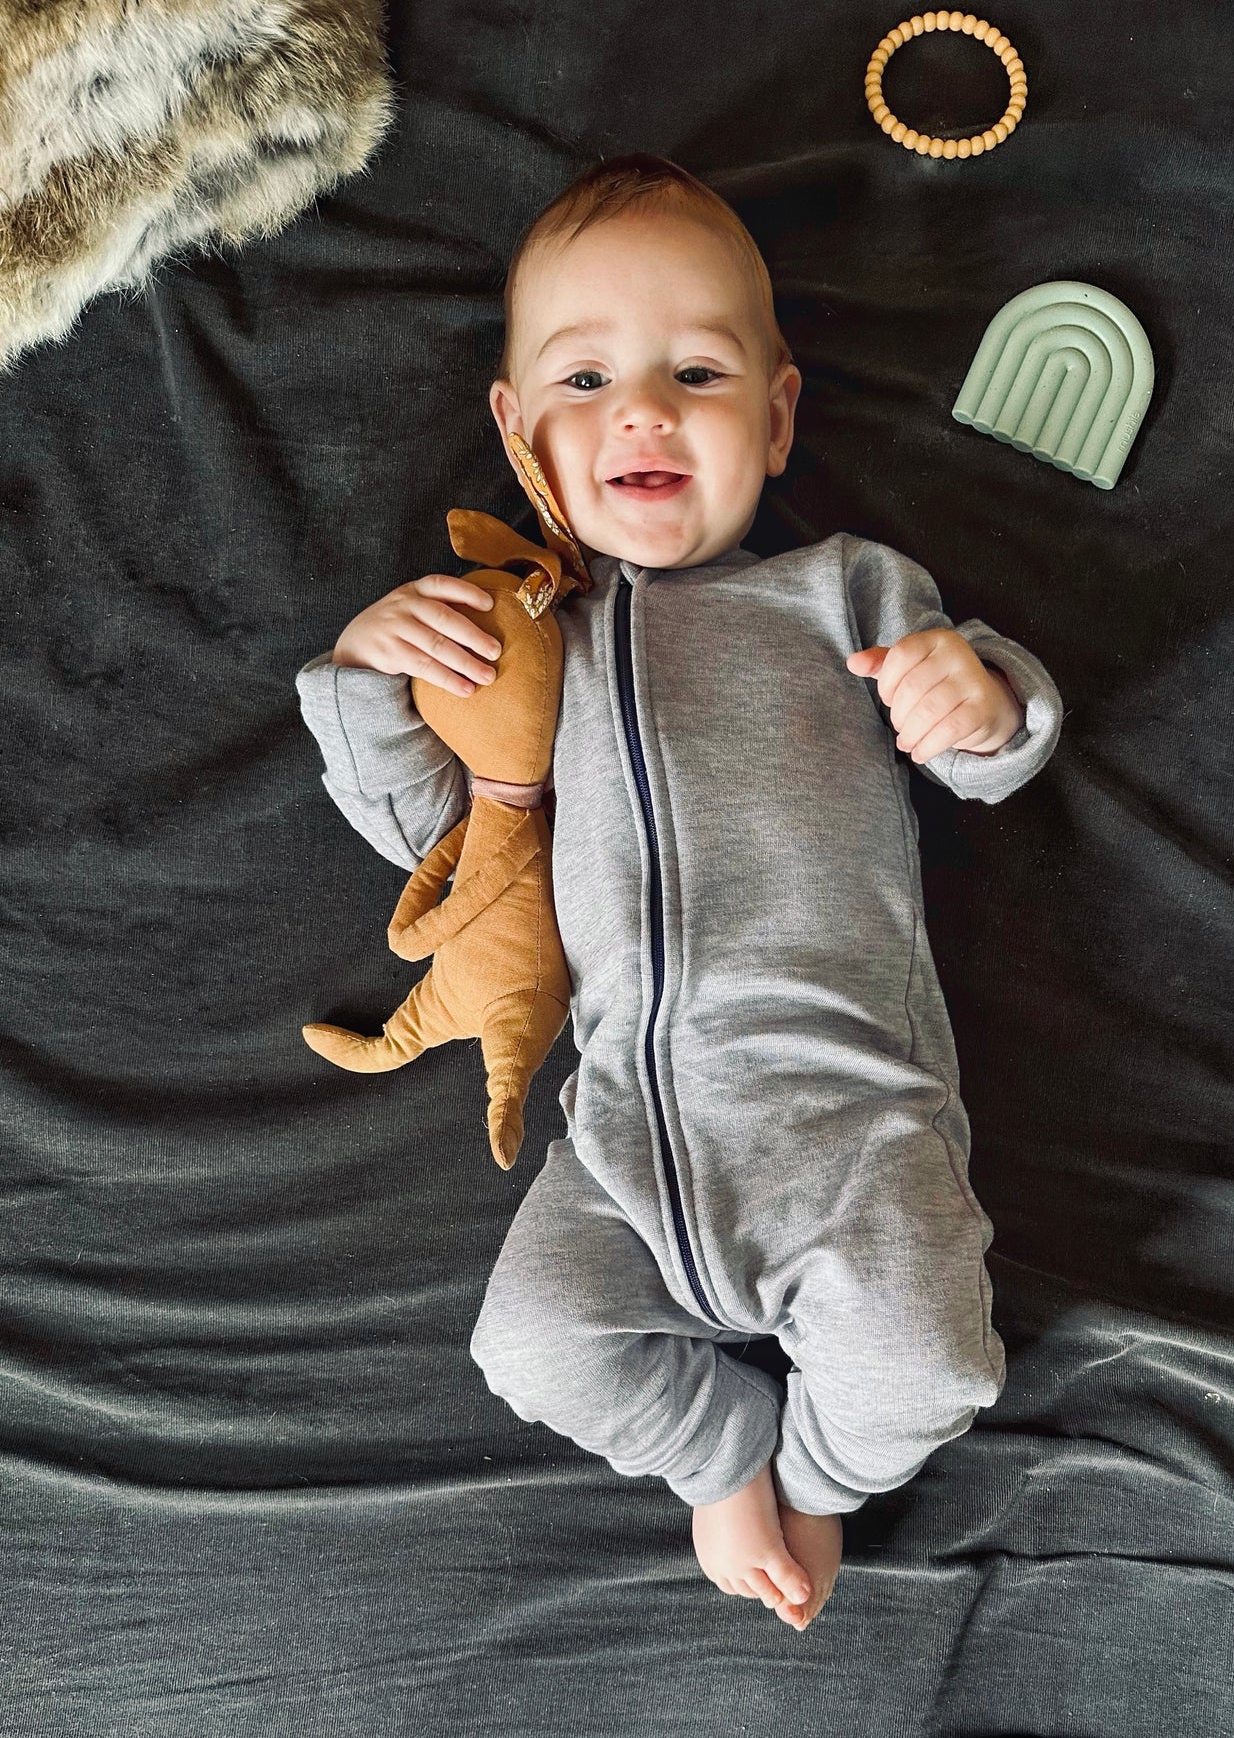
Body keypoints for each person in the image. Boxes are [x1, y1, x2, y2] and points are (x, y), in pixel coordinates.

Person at [295, 153, 1064, 1631]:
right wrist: (368, 678)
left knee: (930, 1364)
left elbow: (988, 754)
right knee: (531, 1343)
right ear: (518, 431)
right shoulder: (536, 644)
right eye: (586, 379)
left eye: (697, 373)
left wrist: (978, 696)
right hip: (625, 1142)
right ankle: (719, 1460)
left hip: (849, 1115)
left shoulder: (841, 590)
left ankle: (818, 1477)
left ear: (776, 418)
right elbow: (445, 846)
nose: (642, 410)